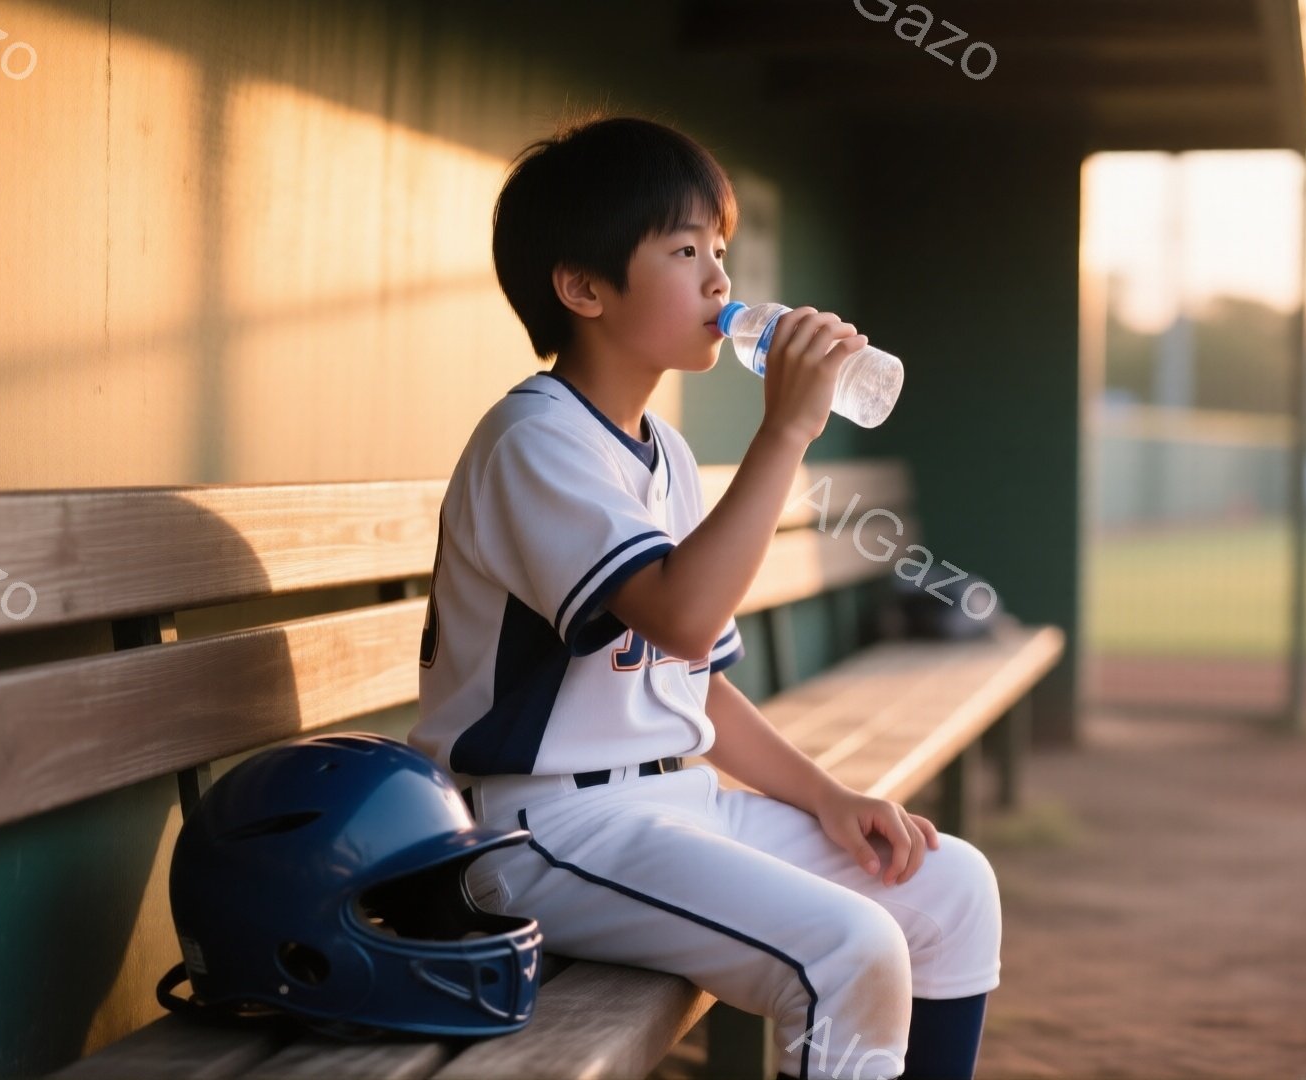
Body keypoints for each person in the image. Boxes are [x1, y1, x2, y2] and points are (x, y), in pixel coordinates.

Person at [410, 113, 999, 1080]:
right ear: (582, 286)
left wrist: (830, 797)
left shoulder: (665, 452)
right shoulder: (534, 442)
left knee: (952, 887)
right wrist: (787, 434)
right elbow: (682, 613)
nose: (720, 281)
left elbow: (695, 686)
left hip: (671, 806)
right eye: (685, 250)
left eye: (719, 250)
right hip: (539, 834)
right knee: (849, 950)